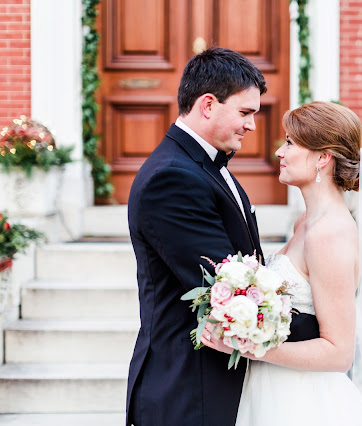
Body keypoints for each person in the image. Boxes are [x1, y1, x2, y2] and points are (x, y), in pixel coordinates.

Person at [201, 101, 362, 425]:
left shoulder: (331, 234)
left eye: (289, 143)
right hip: (273, 389)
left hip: (303, 403)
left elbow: (339, 351)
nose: (279, 153)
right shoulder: (306, 221)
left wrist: (248, 345)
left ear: (322, 158)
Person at [126, 47, 319, 426]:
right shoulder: (172, 179)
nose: (252, 125)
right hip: (188, 391)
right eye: (245, 113)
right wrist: (321, 330)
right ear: (208, 104)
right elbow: (226, 293)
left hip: (220, 384)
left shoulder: (207, 167)